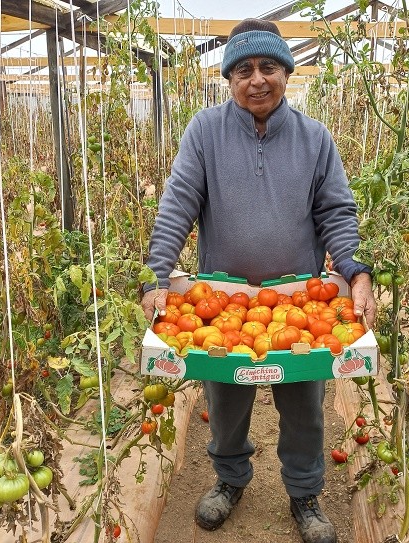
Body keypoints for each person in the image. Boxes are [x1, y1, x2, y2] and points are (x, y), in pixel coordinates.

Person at [140, 18, 376, 543]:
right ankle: (230, 479)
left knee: (303, 404)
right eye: (243, 69)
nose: (257, 79)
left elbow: (337, 213)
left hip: (300, 306)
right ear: (228, 79)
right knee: (224, 399)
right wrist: (156, 276)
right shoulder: (205, 132)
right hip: (223, 304)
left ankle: (305, 492)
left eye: (269, 66)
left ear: (287, 73)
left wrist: (355, 272)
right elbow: (178, 205)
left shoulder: (315, 139)